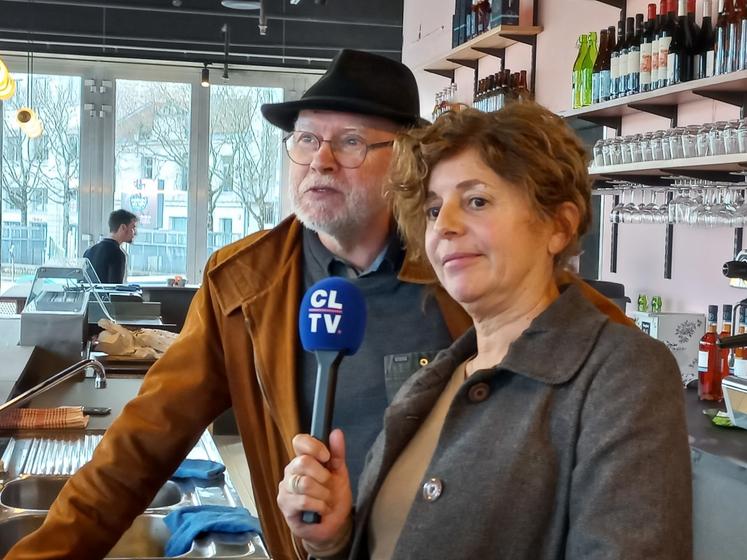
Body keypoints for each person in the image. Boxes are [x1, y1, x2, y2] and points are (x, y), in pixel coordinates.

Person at [6, 51, 631, 560]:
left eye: (352, 142)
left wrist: (639, 371)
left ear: (407, 161)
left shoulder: (461, 267)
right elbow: (139, 446)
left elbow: (582, 330)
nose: (320, 161)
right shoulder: (243, 284)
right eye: (306, 140)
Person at [277, 104, 692, 559]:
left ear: (559, 225)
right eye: (434, 210)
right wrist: (335, 540)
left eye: (476, 201)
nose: (446, 227)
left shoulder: (624, 374)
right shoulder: (436, 379)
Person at [83, 209, 138, 283]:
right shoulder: (117, 254)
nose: (135, 233)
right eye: (133, 228)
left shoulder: (89, 251)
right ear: (123, 227)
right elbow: (115, 290)